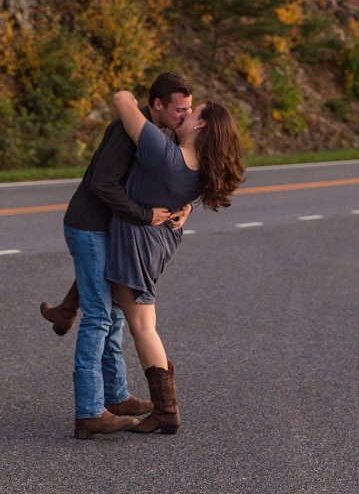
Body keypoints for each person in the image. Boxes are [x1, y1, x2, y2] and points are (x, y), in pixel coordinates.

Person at [42, 73, 195, 440]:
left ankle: (115, 396)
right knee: (99, 317)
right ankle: (89, 413)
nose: (184, 117)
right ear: (157, 105)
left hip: (112, 231)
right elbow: (102, 184)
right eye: (179, 109)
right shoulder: (126, 131)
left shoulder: (161, 134)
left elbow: (162, 181)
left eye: (189, 109)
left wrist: (185, 204)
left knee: (113, 315)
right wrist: (144, 216)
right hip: (90, 226)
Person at [106, 90, 245, 435]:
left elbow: (122, 98)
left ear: (201, 123)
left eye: (190, 112)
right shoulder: (201, 170)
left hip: (136, 244)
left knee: (141, 325)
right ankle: (139, 400)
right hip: (157, 244)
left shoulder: (163, 153)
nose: (183, 116)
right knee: (133, 319)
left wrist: (157, 109)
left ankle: (166, 410)